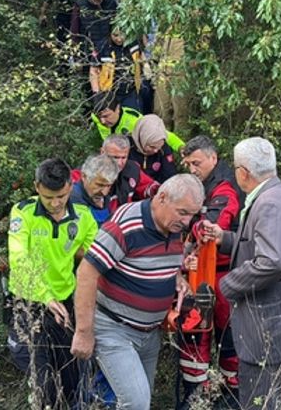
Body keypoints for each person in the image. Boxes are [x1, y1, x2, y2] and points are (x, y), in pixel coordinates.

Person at [201, 137, 281, 410]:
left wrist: (227, 285)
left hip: (274, 330)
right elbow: (263, 246)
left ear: (243, 172)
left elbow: (272, 261)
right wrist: (224, 238)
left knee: (263, 403)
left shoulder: (270, 204)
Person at [70, 174, 206, 410]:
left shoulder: (172, 225)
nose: (186, 221)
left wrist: (177, 277)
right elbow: (86, 272)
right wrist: (83, 332)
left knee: (139, 400)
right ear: (162, 197)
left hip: (150, 333)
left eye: (192, 214)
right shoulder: (128, 222)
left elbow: (161, 259)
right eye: (182, 212)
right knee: (136, 403)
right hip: (114, 329)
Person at [5, 158, 98, 408]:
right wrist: (46, 297)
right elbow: (19, 260)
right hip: (29, 305)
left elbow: (93, 259)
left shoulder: (84, 217)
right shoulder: (23, 213)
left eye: (61, 196)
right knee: (42, 382)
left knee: (72, 379)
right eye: (49, 198)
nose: (56, 204)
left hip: (66, 303)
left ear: (70, 186)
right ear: (37, 187)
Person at [176, 136, 242, 408]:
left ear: (213, 158)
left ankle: (227, 400)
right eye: (189, 164)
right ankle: (193, 399)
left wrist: (190, 231)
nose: (192, 168)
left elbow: (210, 229)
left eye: (197, 163)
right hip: (199, 275)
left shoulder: (226, 187)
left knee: (229, 345)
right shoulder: (202, 185)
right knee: (194, 344)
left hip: (222, 275)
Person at [91, 92, 184, 151]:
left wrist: (180, 146)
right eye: (99, 117)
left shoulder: (134, 121)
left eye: (106, 116)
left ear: (118, 109)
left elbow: (162, 134)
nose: (102, 121)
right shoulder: (97, 118)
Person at [99, 134, 160, 212]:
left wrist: (163, 191)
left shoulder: (132, 169)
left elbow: (149, 186)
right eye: (115, 157)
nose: (119, 163)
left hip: (124, 218)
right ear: (102, 152)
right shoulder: (89, 172)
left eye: (124, 157)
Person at [71, 0, 118, 65]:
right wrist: (76, 56)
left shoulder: (111, 4)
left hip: (107, 52)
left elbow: (116, 28)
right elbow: (74, 31)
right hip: (87, 52)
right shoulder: (80, 5)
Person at [97, 29, 144, 111]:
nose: (119, 39)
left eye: (122, 35)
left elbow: (141, 57)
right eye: (115, 35)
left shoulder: (133, 42)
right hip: (109, 93)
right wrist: (97, 94)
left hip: (131, 91)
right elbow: (93, 72)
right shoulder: (103, 47)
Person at [71, 154, 119, 225]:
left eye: (108, 186)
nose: (104, 192)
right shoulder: (72, 200)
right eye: (100, 185)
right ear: (84, 176)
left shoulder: (106, 199)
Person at [129, 114, 179, 183]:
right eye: (152, 146)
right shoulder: (126, 147)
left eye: (159, 147)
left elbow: (170, 174)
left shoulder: (164, 148)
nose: (156, 151)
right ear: (142, 138)